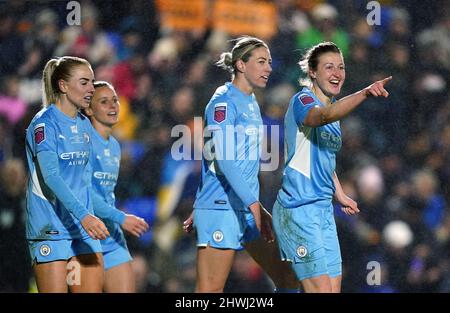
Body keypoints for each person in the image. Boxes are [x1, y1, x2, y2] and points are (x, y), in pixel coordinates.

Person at [271, 41, 392, 293]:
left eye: (341, 67)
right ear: (313, 72)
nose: (337, 73)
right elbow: (320, 117)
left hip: (323, 211)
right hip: (299, 209)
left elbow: (324, 160)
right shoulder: (303, 100)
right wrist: (365, 93)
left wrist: (339, 193)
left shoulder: (334, 118)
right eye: (329, 67)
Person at [189, 36, 298, 293]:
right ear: (240, 65)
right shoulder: (224, 103)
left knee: (289, 277)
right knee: (209, 291)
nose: (268, 68)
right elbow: (224, 159)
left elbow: (242, 163)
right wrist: (250, 203)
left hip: (246, 206)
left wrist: (256, 205)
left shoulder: (250, 102)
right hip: (222, 207)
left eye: (269, 62)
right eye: (261, 62)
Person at [25, 56, 110, 292]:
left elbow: (85, 182)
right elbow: (51, 177)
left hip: (84, 228)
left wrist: (111, 215)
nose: (91, 89)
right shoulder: (44, 125)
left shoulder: (84, 124)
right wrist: (85, 216)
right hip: (51, 227)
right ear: (63, 86)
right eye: (84, 82)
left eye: (92, 82)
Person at [83, 81, 149, 292]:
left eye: (115, 101)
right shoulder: (81, 143)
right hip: (83, 237)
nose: (113, 106)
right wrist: (122, 218)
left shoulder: (114, 146)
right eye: (104, 102)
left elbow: (106, 195)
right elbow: (83, 195)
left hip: (111, 237)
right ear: (89, 109)